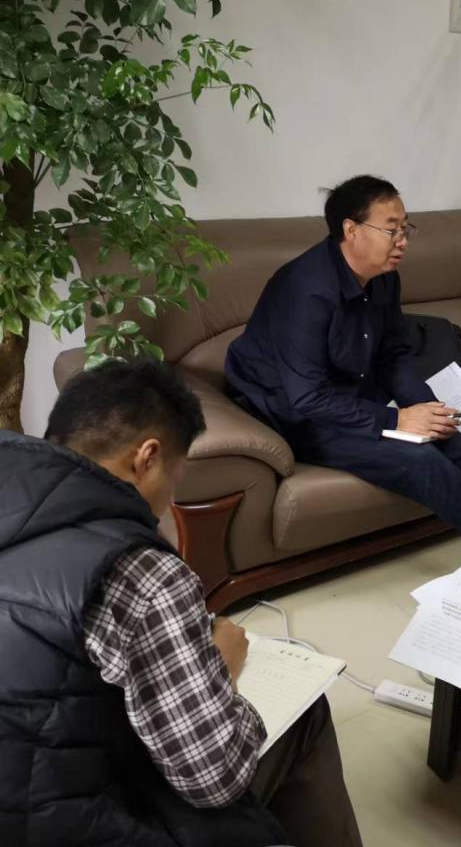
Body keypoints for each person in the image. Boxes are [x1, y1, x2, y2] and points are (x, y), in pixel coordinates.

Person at [0, 358, 362, 847]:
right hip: (62, 821)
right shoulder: (142, 572)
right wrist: (222, 669)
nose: (169, 502)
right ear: (147, 457)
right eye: (175, 479)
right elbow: (213, 779)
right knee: (305, 715)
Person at [226, 174, 461, 560]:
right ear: (351, 230)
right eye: (392, 230)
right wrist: (397, 420)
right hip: (293, 412)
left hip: (348, 396)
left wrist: (426, 410)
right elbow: (307, 398)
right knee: (420, 461)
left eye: (405, 228)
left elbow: (394, 354)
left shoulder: (384, 279)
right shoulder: (306, 290)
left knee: (454, 443)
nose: (403, 240)